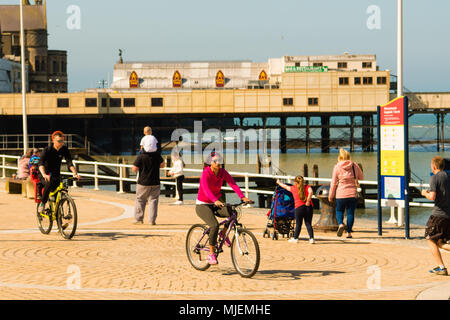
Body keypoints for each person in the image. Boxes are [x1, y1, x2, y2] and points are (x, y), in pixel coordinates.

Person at [195, 152, 250, 265]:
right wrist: (215, 200)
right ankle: (211, 254)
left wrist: (243, 197)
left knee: (232, 212)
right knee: (214, 225)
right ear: (210, 162)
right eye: (216, 161)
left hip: (216, 203)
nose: (219, 163)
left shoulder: (222, 172)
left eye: (220, 160)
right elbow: (206, 189)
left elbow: (232, 184)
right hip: (203, 204)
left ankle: (222, 234)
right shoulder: (205, 173)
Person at [38, 131, 80, 213]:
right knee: (49, 183)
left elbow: (69, 163)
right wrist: (44, 174)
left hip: (56, 174)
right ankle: (42, 203)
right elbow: (41, 163)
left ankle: (60, 212)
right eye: (59, 141)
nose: (61, 143)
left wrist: (75, 173)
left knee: (64, 186)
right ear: (53, 140)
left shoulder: (64, 149)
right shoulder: (47, 150)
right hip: (44, 173)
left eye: (62, 141)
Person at [421, 156, 450, 276]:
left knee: (429, 238)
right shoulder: (448, 177)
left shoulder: (435, 178)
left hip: (438, 215)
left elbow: (432, 196)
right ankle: (441, 267)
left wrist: (424, 193)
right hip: (448, 215)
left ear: (434, 166)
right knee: (439, 241)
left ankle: (441, 267)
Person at [328, 148, 363, 239]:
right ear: (348, 156)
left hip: (341, 194)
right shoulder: (354, 165)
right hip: (352, 193)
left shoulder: (337, 167)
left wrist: (331, 195)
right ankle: (349, 233)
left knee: (339, 210)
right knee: (350, 213)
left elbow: (333, 183)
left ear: (339, 157)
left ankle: (340, 224)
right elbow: (361, 177)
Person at [277, 176, 315, 244]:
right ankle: (311, 238)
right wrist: (308, 200)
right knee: (308, 224)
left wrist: (279, 182)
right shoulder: (307, 186)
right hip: (309, 207)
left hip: (299, 208)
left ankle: (295, 238)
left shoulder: (293, 188)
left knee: (298, 224)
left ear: (295, 182)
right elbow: (311, 192)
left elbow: (285, 187)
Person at [132, 148, 165, 225]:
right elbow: (163, 165)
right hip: (155, 181)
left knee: (140, 200)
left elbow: (134, 169)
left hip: (143, 182)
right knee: (153, 201)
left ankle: (139, 219)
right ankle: (152, 220)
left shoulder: (141, 156)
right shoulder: (157, 155)